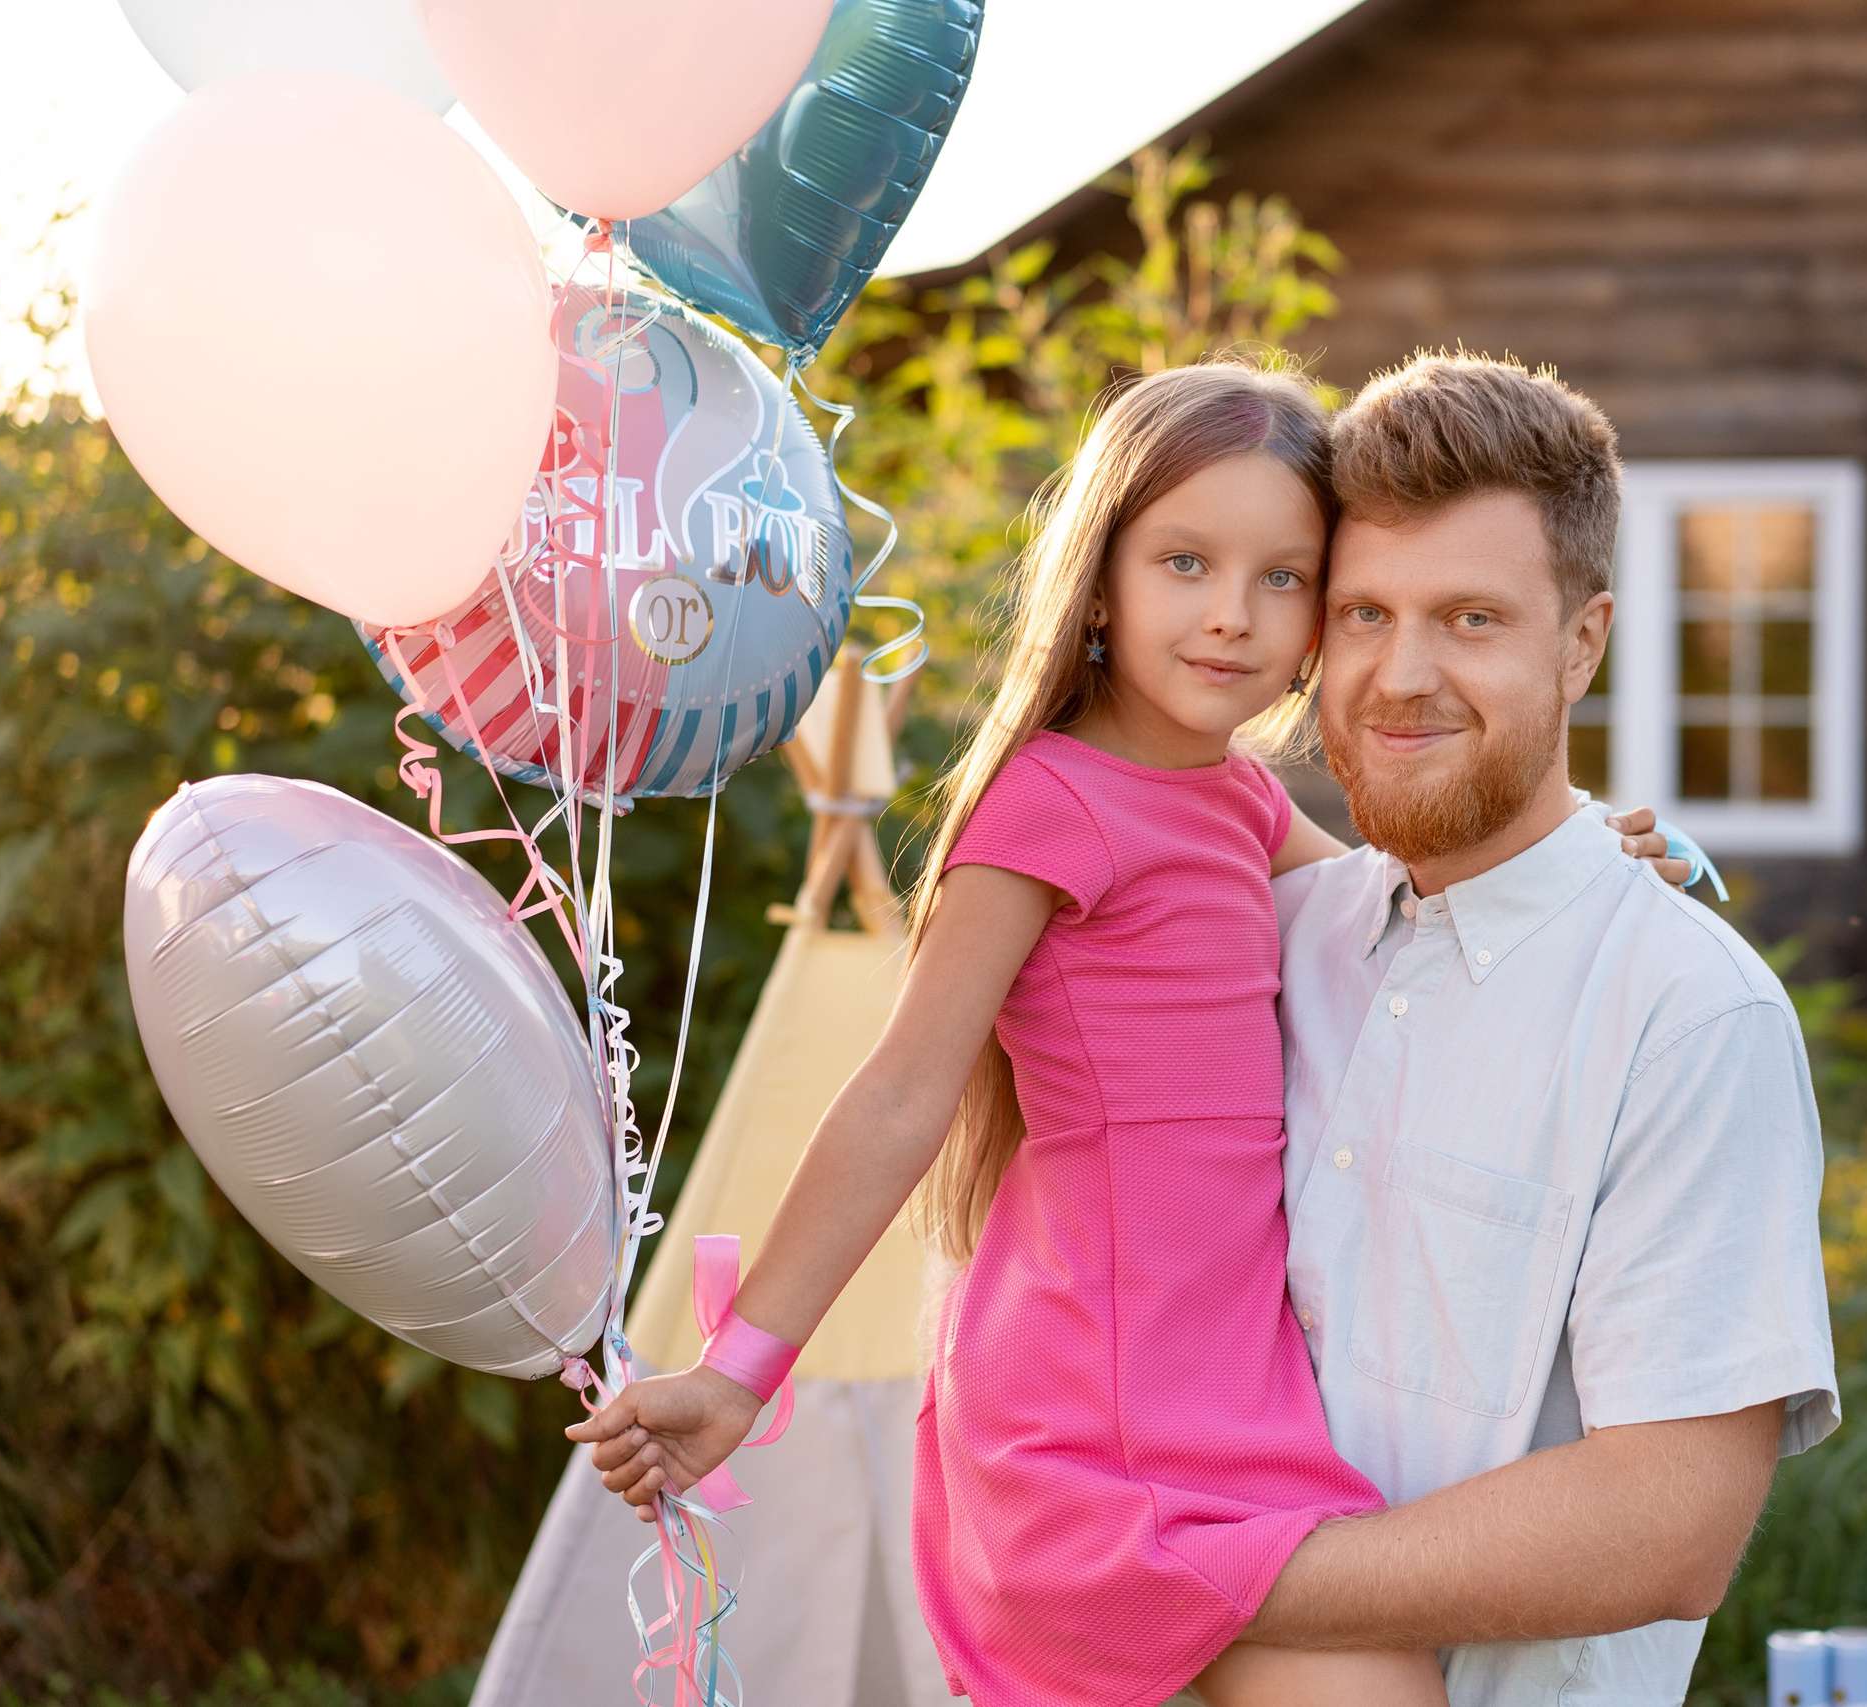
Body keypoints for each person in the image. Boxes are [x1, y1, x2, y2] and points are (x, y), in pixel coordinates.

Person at [565, 360, 1693, 1707]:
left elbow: (1416, 911)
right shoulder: (1046, 808)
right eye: (1185, 563)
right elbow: (898, 1097)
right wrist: (741, 1373)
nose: (1234, 617)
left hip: (1233, 1399)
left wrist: (1592, 851)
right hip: (1096, 1419)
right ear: (1099, 580)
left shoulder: (1237, 801)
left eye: (1285, 579)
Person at [1202, 352, 1839, 1704]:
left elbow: (1664, 1527)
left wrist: (1189, 1579)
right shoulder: (1268, 945)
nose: (1401, 673)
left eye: (1472, 619)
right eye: (1364, 612)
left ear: (1585, 641)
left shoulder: (1687, 1017)